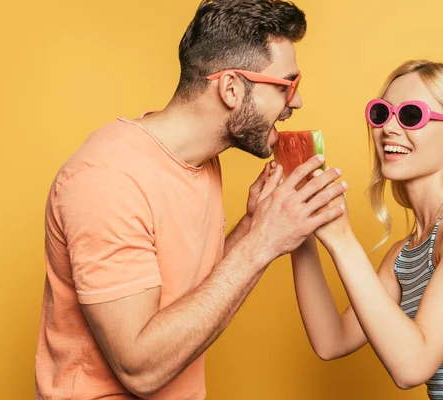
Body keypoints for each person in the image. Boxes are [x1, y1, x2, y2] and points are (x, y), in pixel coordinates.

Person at [35, 0, 347, 398]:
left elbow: (187, 302)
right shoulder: (107, 180)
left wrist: (254, 224)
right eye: (288, 85)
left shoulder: (200, 161)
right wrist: (262, 242)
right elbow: (141, 370)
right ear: (232, 88)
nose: (296, 102)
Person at [292, 60, 443, 400]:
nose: (389, 128)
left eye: (410, 115)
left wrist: (342, 239)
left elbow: (412, 367)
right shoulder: (403, 255)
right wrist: (299, 231)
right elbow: (331, 340)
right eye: (381, 113)